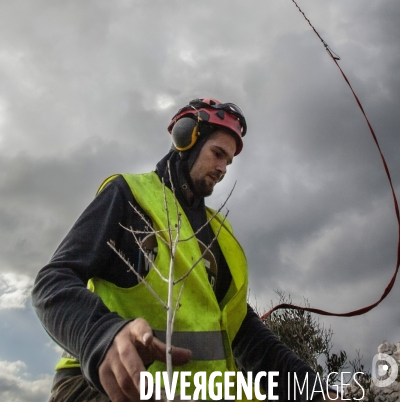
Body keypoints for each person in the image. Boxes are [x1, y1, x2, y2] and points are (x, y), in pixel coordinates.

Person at [33, 98, 331, 402]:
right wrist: (100, 335)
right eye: (217, 154)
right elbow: (52, 282)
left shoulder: (218, 236)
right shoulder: (128, 196)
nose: (222, 168)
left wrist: (314, 393)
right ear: (185, 138)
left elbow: (246, 334)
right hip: (102, 385)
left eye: (228, 161)